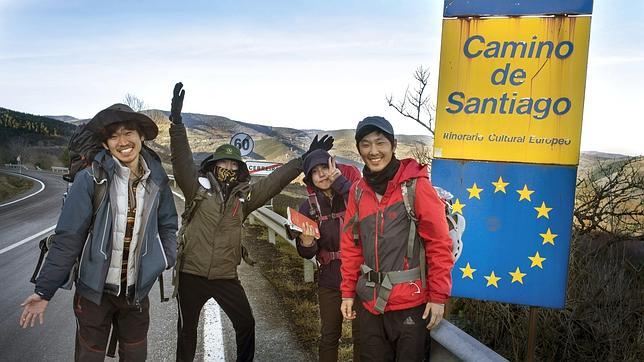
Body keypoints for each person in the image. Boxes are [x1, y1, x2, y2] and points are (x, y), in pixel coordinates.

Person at [168, 82, 333, 362]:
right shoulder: (195, 188)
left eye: (234, 165)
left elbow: (274, 182)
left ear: (240, 170)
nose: (229, 169)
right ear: (213, 165)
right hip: (190, 275)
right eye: (224, 164)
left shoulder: (244, 198)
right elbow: (181, 158)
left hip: (225, 277)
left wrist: (302, 160)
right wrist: (176, 124)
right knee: (186, 334)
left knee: (246, 325)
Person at [19, 103, 178, 361]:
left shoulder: (157, 179)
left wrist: (164, 258)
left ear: (141, 138)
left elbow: (168, 224)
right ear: (105, 144)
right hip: (94, 294)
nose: (122, 141)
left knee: (136, 356)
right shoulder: (90, 179)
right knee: (89, 357)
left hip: (136, 293)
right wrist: (43, 290)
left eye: (129, 133)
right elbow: (68, 239)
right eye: (113, 136)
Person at [339, 116, 454, 361]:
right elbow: (351, 247)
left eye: (380, 143)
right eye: (366, 144)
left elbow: (439, 244)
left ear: (393, 146)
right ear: (359, 149)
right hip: (369, 303)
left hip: (410, 303)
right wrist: (347, 292)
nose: (373, 151)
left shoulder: (415, 187)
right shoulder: (358, 191)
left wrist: (438, 297)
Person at [296, 149, 362, 362]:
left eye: (325, 167)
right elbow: (307, 253)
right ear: (310, 178)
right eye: (315, 172)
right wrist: (306, 243)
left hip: (361, 277)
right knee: (329, 335)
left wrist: (342, 184)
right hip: (330, 279)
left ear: (334, 166)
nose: (322, 174)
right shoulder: (308, 207)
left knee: (363, 336)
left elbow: (371, 209)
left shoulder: (351, 194)